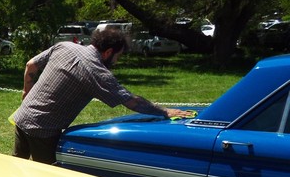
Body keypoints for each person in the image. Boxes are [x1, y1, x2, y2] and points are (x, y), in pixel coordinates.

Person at [10, 27, 195, 164]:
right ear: (107, 52)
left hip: (23, 116)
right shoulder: (98, 73)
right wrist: (165, 111)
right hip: (44, 130)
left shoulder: (65, 46)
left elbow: (31, 65)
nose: (117, 61)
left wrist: (27, 93)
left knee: (18, 168)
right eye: (118, 56)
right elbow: (131, 102)